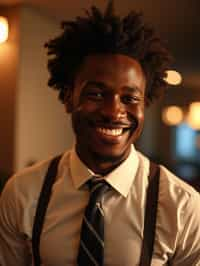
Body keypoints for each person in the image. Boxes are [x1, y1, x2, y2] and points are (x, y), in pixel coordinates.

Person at [1, 1, 200, 265]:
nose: (112, 111)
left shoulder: (183, 206)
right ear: (69, 98)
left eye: (129, 98)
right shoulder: (23, 193)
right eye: (96, 94)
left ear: (144, 106)